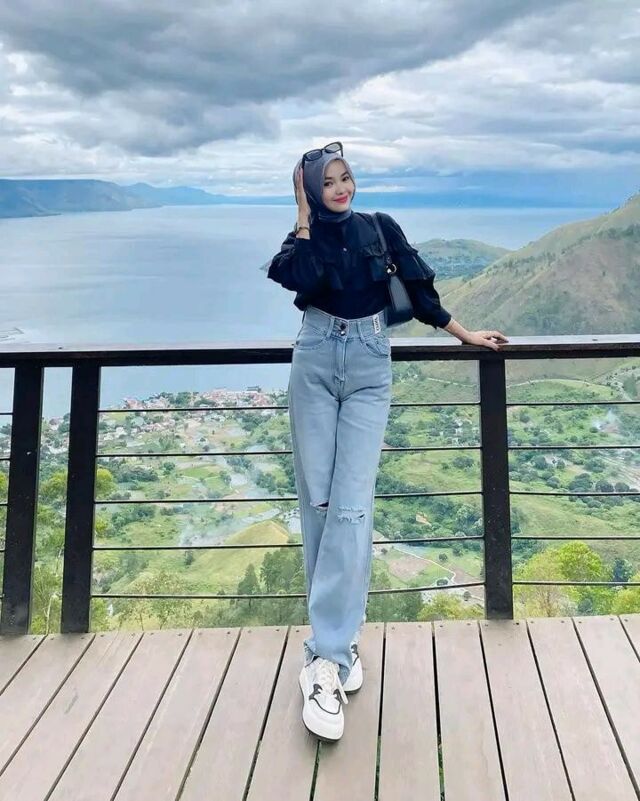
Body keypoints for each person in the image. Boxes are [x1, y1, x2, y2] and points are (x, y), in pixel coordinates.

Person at [267, 142, 508, 741]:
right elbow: (299, 277)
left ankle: (324, 659)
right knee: (319, 503)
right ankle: (340, 640)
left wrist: (464, 335)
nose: (341, 188)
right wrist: (301, 213)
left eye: (346, 177)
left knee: (351, 504)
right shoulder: (304, 239)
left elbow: (421, 295)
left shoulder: (380, 227)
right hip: (315, 358)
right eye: (327, 182)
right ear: (311, 191)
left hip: (370, 363)